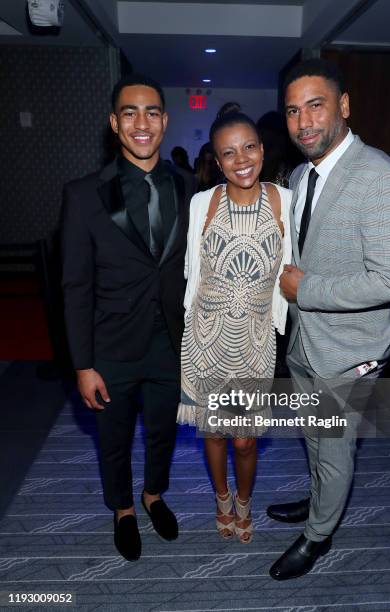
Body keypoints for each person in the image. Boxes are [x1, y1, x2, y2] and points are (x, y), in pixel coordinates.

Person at [267, 58, 390, 579]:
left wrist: (306, 290)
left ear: (343, 106)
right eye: (292, 111)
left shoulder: (379, 177)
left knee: (333, 447)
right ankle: (319, 502)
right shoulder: (305, 174)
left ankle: (318, 536)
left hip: (349, 350)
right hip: (308, 342)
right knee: (315, 435)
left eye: (316, 105)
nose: (304, 122)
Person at [60, 74, 188, 561]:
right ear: (115, 123)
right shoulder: (84, 194)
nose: (142, 122)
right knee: (113, 439)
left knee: (162, 432)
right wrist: (82, 364)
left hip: (170, 343)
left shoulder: (187, 185)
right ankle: (123, 510)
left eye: (151, 112)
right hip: (110, 346)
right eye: (130, 113)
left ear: (164, 121)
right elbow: (74, 285)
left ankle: (153, 496)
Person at [178, 111, 292, 543]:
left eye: (249, 147)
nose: (241, 159)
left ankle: (243, 500)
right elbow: (192, 272)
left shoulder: (284, 199)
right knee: (214, 432)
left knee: (244, 440)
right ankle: (222, 498)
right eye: (229, 152)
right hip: (206, 338)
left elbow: (292, 266)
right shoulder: (201, 203)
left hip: (255, 340)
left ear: (262, 150)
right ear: (217, 160)